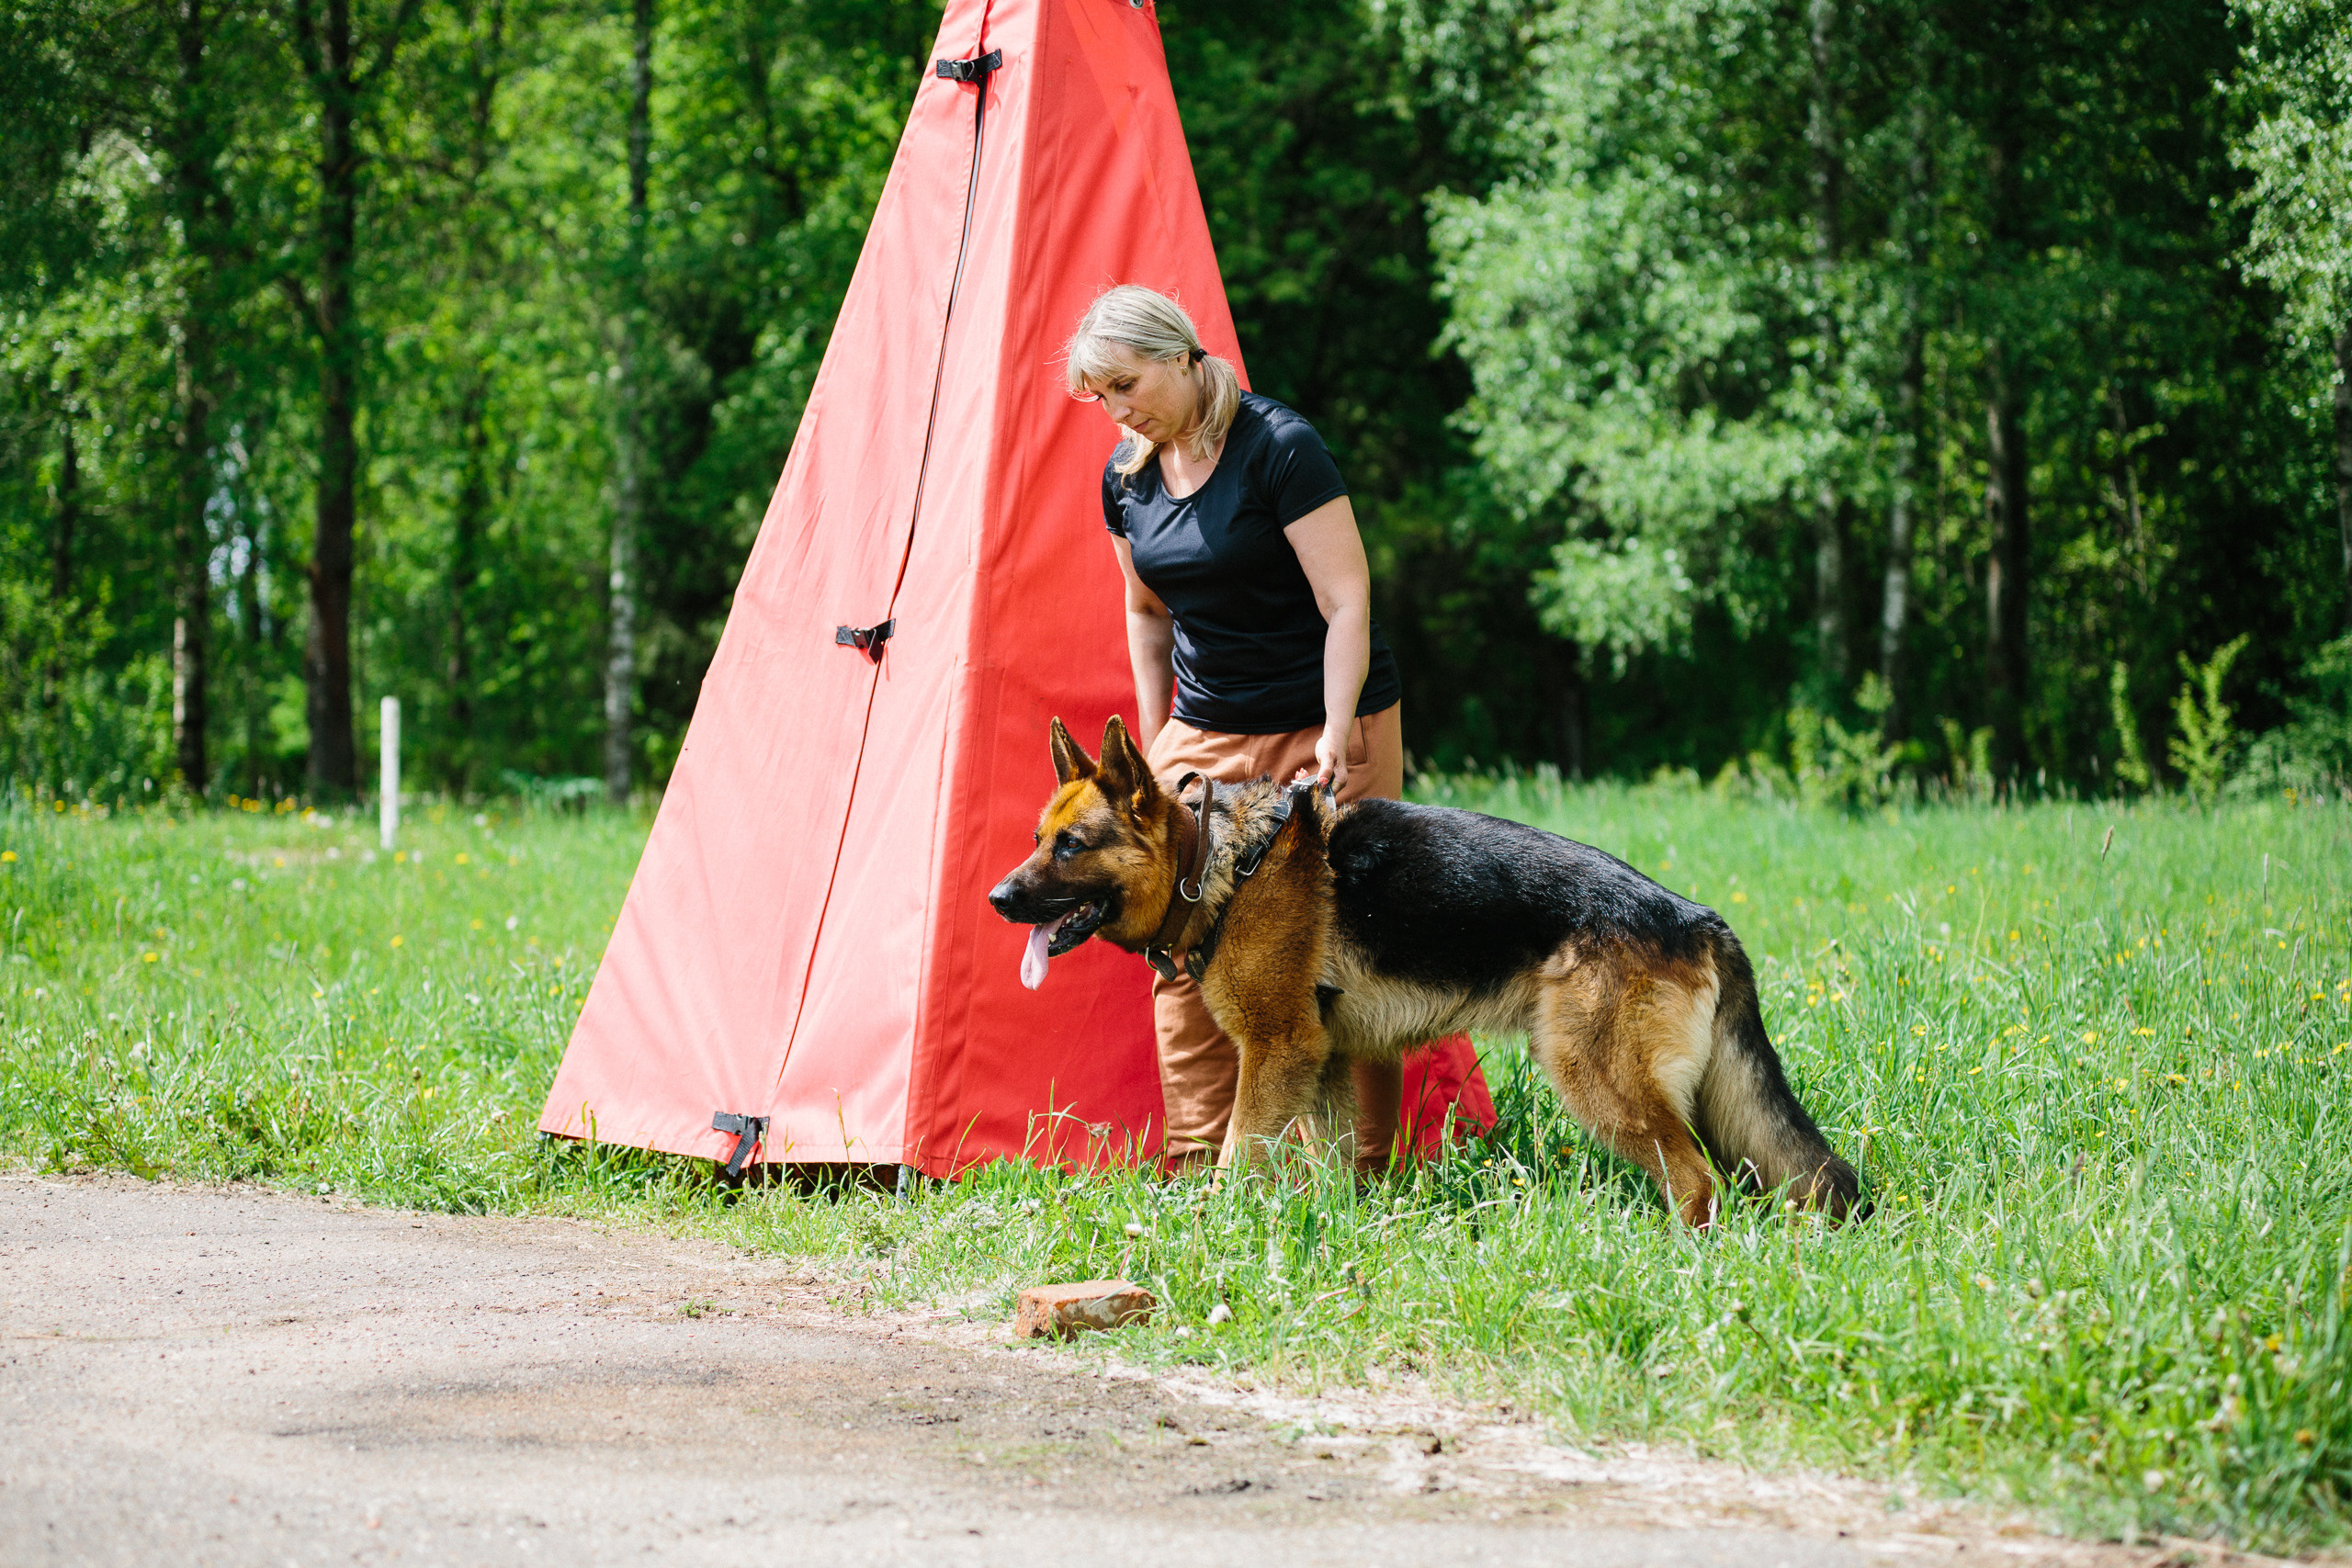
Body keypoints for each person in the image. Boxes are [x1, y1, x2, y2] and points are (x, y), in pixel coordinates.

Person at [1063, 284, 1490, 1170]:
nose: (1116, 409)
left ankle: (1374, 1166)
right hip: (1206, 728)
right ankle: (1200, 1165)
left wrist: (1336, 731)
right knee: (1178, 943)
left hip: (1326, 715)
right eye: (1100, 394)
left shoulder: (1280, 448)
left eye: (1127, 383)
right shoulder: (1127, 473)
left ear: (1182, 355)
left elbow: (1346, 600)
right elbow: (1145, 613)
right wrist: (1156, 742)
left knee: (1357, 943)